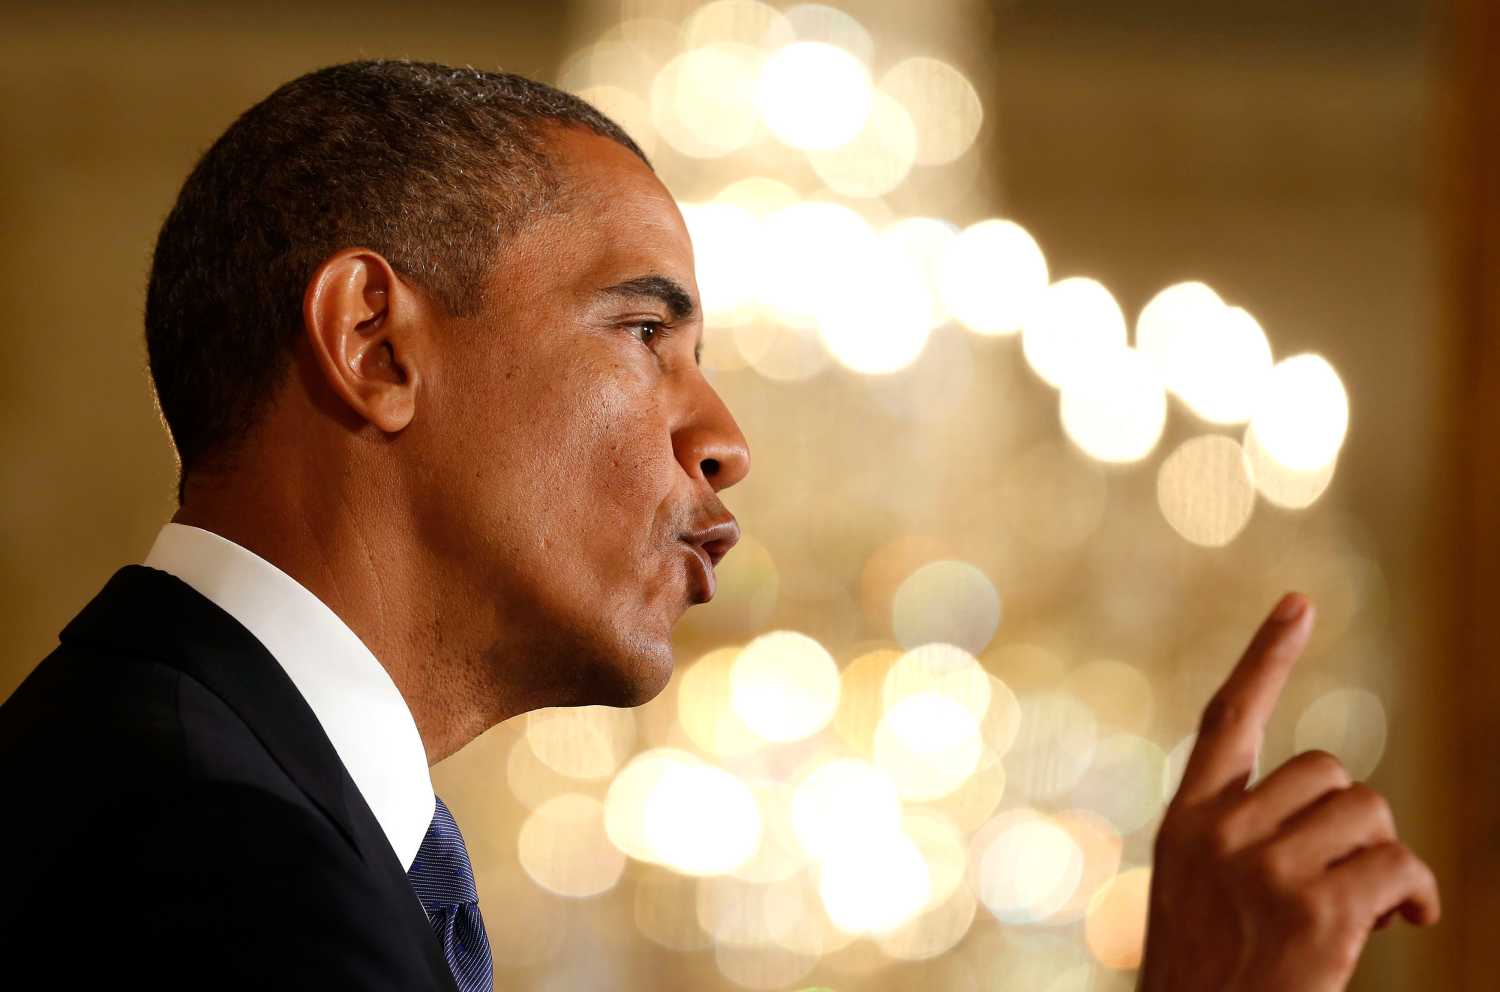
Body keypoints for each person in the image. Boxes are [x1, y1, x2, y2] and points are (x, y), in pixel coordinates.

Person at [0, 60, 1437, 990]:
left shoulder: (194, 787)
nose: (728, 439)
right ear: (376, 344)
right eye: (647, 333)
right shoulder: (204, 867)